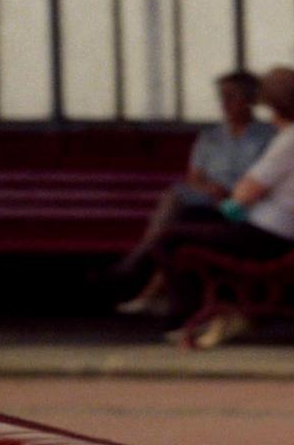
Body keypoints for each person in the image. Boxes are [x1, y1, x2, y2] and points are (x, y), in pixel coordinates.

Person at [146, 69, 294, 349]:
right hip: (288, 229)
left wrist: (231, 205)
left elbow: (244, 193)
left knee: (170, 238)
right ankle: (216, 306)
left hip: (269, 235)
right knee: (191, 217)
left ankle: (189, 315)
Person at [113, 68, 274, 313]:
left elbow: (265, 178)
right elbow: (194, 177)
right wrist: (213, 188)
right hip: (210, 201)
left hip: (243, 209)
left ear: (250, 100)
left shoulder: (267, 136)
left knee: (176, 220)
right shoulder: (211, 137)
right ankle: (152, 285)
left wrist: (233, 193)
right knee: (177, 206)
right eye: (222, 96)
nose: (225, 103)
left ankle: (141, 269)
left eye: (232, 96)